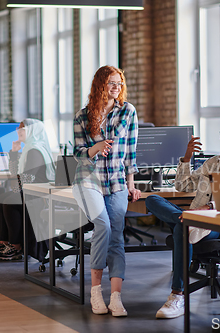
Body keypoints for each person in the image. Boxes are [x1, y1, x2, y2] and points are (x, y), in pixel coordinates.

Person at [145, 116, 220, 319]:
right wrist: (187, 158)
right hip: (195, 220)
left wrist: (209, 206)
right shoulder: (212, 163)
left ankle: (177, 295)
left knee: (181, 227)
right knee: (152, 199)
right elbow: (182, 186)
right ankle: (183, 217)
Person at [72, 65, 141, 317]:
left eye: (119, 83)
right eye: (111, 83)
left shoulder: (128, 111)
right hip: (88, 180)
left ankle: (116, 297)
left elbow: (130, 152)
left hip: (116, 183)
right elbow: (78, 154)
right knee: (103, 225)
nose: (116, 88)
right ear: (100, 85)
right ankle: (95, 292)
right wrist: (96, 147)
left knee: (116, 236)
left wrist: (131, 184)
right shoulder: (83, 116)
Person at [0, 118, 55, 260]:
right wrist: (13, 153)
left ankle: (16, 247)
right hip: (28, 191)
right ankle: (3, 242)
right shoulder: (28, 149)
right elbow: (16, 175)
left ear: (32, 131)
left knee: (10, 200)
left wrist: (13, 183)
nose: (18, 131)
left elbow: (25, 179)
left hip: (38, 195)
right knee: (2, 198)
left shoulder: (35, 151)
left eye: (22, 128)